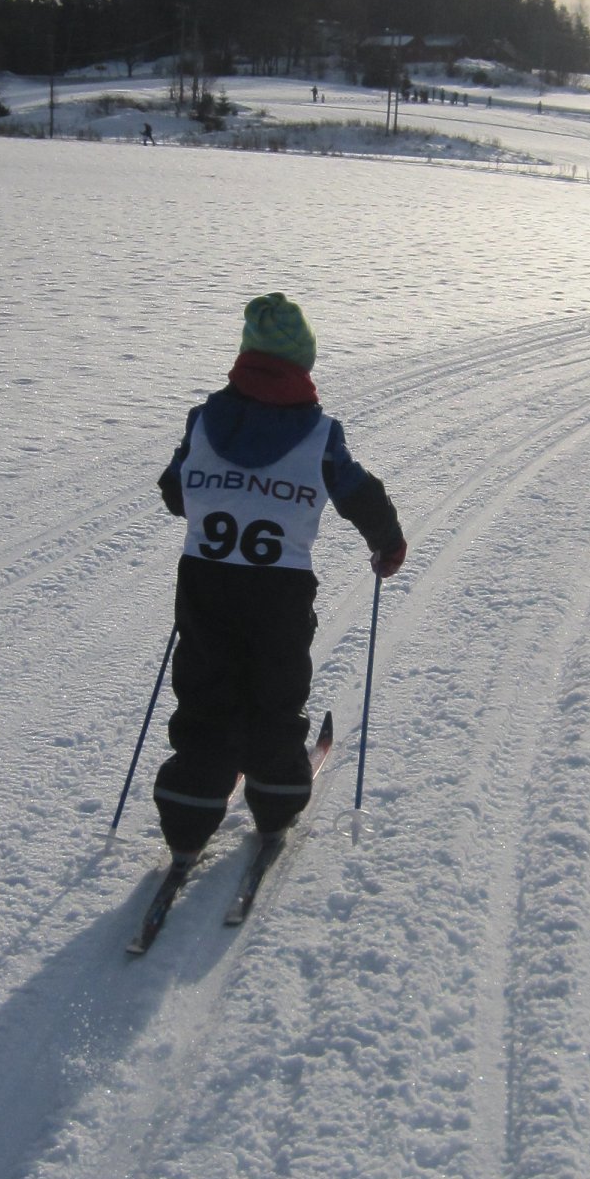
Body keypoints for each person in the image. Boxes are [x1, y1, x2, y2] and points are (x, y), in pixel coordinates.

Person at [153, 293, 405, 858]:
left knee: (205, 686)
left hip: (205, 580)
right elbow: (358, 493)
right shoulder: (320, 435)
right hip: (280, 587)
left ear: (245, 357)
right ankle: (276, 796)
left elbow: (175, 493)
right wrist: (387, 542)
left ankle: (188, 810)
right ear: (303, 365)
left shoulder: (203, 421)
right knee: (275, 685)